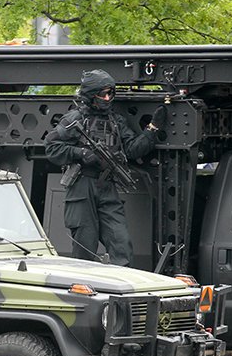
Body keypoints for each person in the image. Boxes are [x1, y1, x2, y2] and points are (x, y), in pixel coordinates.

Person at [45, 69, 167, 266]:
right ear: (90, 96)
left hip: (107, 188)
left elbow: (132, 150)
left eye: (111, 93)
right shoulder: (75, 119)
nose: (108, 98)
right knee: (85, 250)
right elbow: (51, 147)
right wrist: (82, 154)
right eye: (103, 94)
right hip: (82, 187)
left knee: (121, 246)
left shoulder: (115, 121)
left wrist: (152, 130)